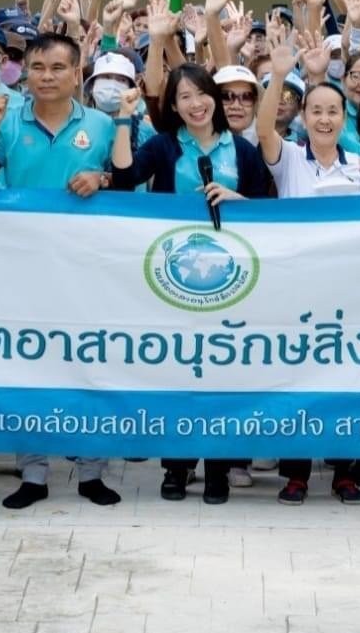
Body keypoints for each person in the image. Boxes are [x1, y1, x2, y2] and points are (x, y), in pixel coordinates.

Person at [110, 35, 273, 504]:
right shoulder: (163, 146)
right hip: (171, 276)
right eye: (184, 97)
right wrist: (125, 117)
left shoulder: (241, 150)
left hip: (231, 279)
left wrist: (238, 201)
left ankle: (219, 469)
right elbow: (123, 180)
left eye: (203, 94)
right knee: (178, 373)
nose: (196, 104)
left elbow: (268, 208)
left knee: (224, 374)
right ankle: (176, 467)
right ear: (175, 107)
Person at [0, 31, 122, 510]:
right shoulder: (7, 122)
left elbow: (127, 181)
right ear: (24, 73)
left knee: (90, 367)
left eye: (58, 68)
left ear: (77, 73)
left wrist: (103, 177)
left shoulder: (101, 124)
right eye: (38, 68)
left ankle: (92, 471)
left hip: (88, 268)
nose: (47, 76)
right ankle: (33, 472)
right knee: (29, 366)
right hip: (25, 267)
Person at [255, 41, 360, 505]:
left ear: (344, 118)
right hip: (297, 290)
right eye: (316, 111)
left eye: (333, 111)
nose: (325, 119)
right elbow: (264, 126)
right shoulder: (289, 157)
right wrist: (280, 74)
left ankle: (344, 473)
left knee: (347, 381)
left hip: (349, 292)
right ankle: (296, 473)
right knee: (298, 380)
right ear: (304, 117)